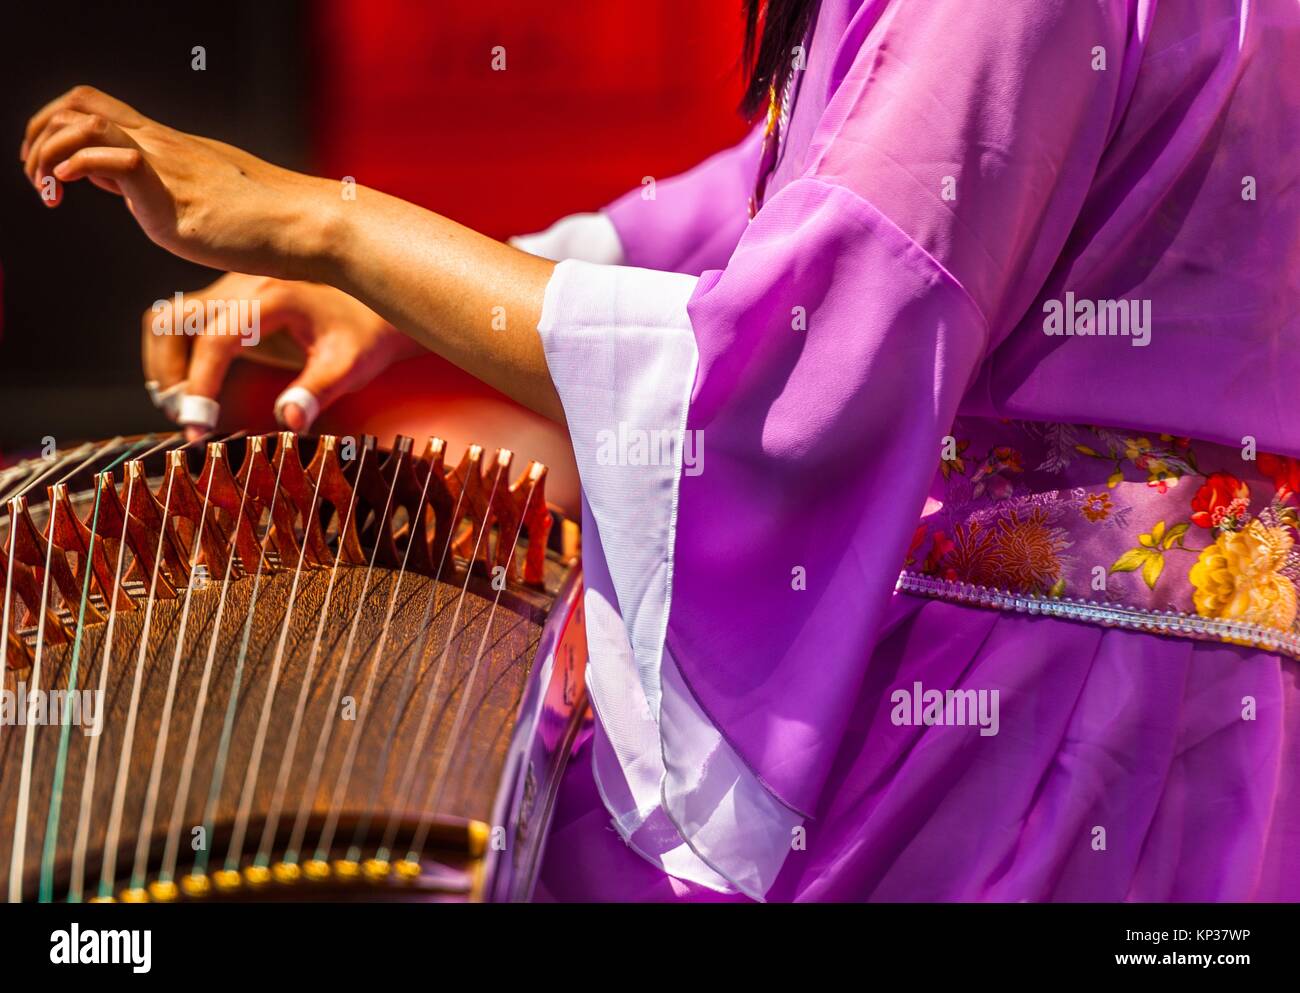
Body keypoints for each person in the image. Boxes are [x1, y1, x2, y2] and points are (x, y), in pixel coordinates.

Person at [19, 0, 1300, 901]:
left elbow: (787, 377)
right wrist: (412, 292)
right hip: (1194, 705)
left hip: (1034, 730)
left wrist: (334, 228)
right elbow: (805, 178)